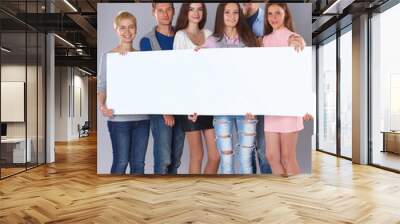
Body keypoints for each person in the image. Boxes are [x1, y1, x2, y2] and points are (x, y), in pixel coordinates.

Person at [201, 3, 258, 174]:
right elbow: (202, 74)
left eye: (235, 12)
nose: (232, 16)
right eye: (227, 12)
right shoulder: (211, 42)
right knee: (226, 158)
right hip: (222, 107)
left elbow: (256, 76)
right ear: (221, 15)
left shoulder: (249, 40)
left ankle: (247, 197)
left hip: (246, 107)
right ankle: (229, 199)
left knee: (246, 158)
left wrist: (255, 105)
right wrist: (196, 56)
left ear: (240, 15)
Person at [262, 3, 312, 176]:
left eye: (278, 13)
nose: (273, 17)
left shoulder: (294, 37)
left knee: (287, 157)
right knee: (271, 156)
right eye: (270, 14)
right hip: (271, 106)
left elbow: (303, 71)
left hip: (289, 105)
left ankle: (295, 195)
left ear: (285, 15)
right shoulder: (264, 40)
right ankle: (285, 192)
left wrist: (306, 105)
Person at [97, 11, 150, 174]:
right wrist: (102, 106)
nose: (127, 32)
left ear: (136, 29)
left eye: (131, 27)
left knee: (138, 165)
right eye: (123, 28)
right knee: (121, 162)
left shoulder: (143, 58)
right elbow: (102, 86)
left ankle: (133, 198)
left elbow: (148, 86)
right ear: (116, 29)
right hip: (119, 119)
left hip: (142, 119)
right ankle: (115, 198)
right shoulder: (109, 57)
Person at [173, 3, 220, 174]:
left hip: (208, 102)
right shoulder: (180, 35)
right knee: (197, 155)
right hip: (189, 103)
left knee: (215, 156)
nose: (196, 13)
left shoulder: (208, 34)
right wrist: (188, 104)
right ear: (186, 12)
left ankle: (205, 191)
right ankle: (195, 196)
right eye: (192, 9)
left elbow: (216, 68)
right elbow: (178, 72)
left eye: (199, 9)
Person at [139, 3, 185, 174]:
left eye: (168, 10)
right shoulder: (147, 41)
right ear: (154, 12)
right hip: (160, 107)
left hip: (181, 105)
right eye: (160, 10)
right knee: (164, 159)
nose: (165, 14)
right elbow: (150, 78)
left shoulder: (182, 37)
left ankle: (171, 197)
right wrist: (165, 109)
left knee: (176, 158)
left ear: (173, 11)